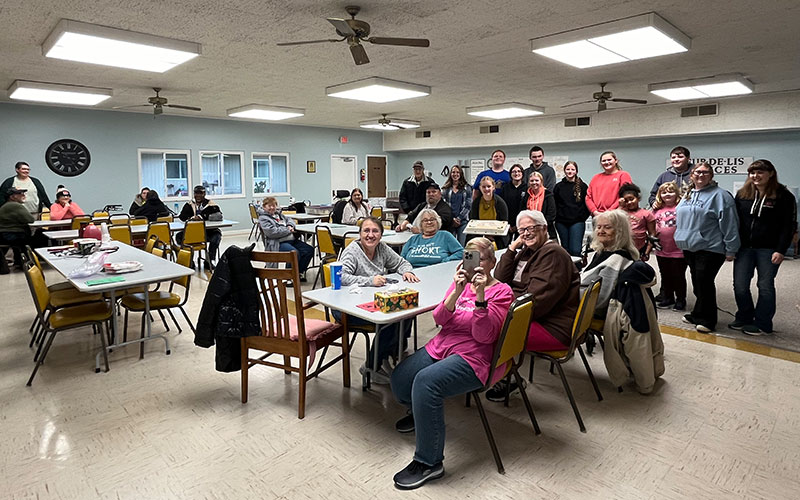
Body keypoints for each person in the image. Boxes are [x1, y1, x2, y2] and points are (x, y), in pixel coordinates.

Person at [390, 237, 513, 489]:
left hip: (475, 356)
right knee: (400, 379)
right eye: (468, 257)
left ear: (491, 262)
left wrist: (480, 298)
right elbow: (440, 319)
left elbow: (485, 336)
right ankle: (422, 412)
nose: (472, 264)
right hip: (443, 345)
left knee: (426, 383)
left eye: (479, 258)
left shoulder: (502, 291)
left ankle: (429, 462)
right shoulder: (460, 284)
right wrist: (457, 291)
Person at [490, 210, 580, 400]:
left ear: (545, 228)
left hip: (552, 327)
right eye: (522, 230)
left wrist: (498, 300)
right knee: (481, 323)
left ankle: (508, 379)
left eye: (531, 228)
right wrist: (512, 248)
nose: (526, 234)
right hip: (530, 315)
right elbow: (499, 279)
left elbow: (535, 303)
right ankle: (497, 374)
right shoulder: (527, 251)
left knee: (487, 331)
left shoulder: (552, 254)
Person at [336, 217, 419, 383]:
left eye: (375, 231)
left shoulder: (382, 248)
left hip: (371, 302)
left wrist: (406, 271)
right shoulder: (353, 251)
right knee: (391, 319)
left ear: (381, 235)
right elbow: (341, 276)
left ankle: (388, 354)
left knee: (408, 310)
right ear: (359, 234)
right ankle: (372, 366)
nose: (370, 235)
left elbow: (402, 262)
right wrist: (370, 281)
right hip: (345, 306)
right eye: (366, 231)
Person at [730, 160, 796, 335]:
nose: (755, 176)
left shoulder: (783, 196)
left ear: (771, 174)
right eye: (752, 173)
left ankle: (763, 323)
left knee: (765, 285)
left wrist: (781, 250)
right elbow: (735, 222)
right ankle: (744, 316)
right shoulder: (743, 194)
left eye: (760, 172)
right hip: (744, 248)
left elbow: (788, 226)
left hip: (769, 249)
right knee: (740, 285)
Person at [674, 162, 740, 333]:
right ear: (692, 175)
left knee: (704, 282)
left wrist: (731, 248)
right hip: (689, 246)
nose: (701, 175)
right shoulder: (687, 195)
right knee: (697, 282)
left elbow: (730, 223)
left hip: (711, 247)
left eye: (705, 172)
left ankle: (708, 320)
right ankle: (697, 313)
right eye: (697, 172)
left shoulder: (721, 196)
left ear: (711, 175)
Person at [579, 210, 639, 316]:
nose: (601, 231)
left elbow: (599, 300)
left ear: (620, 231)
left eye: (607, 227)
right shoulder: (602, 252)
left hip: (587, 311)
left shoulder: (617, 259)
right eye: (599, 227)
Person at [651, 181, 687, 311]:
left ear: (677, 193)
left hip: (678, 249)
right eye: (664, 192)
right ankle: (668, 297)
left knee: (678, 275)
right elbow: (652, 226)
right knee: (665, 275)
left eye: (671, 192)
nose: (667, 194)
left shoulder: (682, 207)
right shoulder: (657, 210)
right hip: (662, 249)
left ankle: (681, 299)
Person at [258, 197, 314, 278]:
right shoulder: (263, 218)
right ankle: (289, 277)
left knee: (309, 250)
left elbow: (290, 220)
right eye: (269, 206)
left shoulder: (279, 215)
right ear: (264, 207)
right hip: (278, 243)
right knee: (294, 253)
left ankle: (298, 273)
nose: (272, 207)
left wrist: (290, 225)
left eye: (274, 205)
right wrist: (288, 230)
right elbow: (272, 233)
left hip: (291, 240)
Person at [0, 188, 48, 270]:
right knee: (42, 235)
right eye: (20, 194)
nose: (23, 195)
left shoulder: (6, 205)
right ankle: (32, 261)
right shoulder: (15, 205)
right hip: (12, 235)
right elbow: (30, 219)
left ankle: (20, 262)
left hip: (5, 235)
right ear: (12, 197)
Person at [176, 185, 223, 267]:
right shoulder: (189, 204)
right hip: (192, 233)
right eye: (196, 193)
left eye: (200, 193)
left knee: (217, 236)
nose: (198, 195)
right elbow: (182, 217)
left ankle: (210, 260)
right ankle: (189, 260)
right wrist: (191, 218)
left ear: (204, 194)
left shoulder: (210, 204)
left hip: (208, 232)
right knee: (179, 236)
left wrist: (202, 217)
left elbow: (219, 216)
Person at [553, 161, 590, 257]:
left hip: (577, 222)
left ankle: (576, 270)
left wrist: (582, 217)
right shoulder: (558, 187)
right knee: (565, 250)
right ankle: (566, 271)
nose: (570, 171)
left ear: (576, 171)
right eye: (568, 169)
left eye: (572, 169)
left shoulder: (582, 186)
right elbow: (555, 204)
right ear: (564, 171)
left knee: (575, 250)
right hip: (561, 222)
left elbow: (587, 203)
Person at [586, 151, 633, 216]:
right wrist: (594, 211)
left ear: (616, 160)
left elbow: (625, 196)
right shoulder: (596, 178)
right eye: (604, 161)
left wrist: (609, 212)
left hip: (616, 215)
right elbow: (588, 197)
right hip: (598, 216)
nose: (607, 162)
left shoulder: (623, 175)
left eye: (609, 160)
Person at [617, 183, 656, 260]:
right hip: (623, 247)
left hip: (639, 248)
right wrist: (621, 206)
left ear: (638, 198)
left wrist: (647, 252)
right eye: (626, 201)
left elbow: (652, 234)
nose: (629, 202)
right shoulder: (620, 212)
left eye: (631, 199)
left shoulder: (646, 214)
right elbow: (612, 222)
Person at [470, 176, 509, 247]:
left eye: (489, 186)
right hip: (479, 235)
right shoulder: (476, 203)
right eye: (484, 187)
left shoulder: (500, 203)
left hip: (497, 236)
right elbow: (473, 221)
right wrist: (484, 235)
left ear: (493, 187)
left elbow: (504, 222)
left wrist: (492, 235)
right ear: (480, 188)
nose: (486, 189)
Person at [519, 171, 556, 239]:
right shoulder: (526, 195)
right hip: (529, 230)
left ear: (541, 182)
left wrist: (539, 226)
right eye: (532, 181)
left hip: (545, 230)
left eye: (536, 180)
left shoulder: (548, 195)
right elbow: (522, 212)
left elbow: (551, 214)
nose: (534, 183)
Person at [441, 165, 472, 245]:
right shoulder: (445, 189)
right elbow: (444, 206)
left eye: (458, 172)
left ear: (461, 174)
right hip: (450, 222)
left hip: (463, 221)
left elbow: (468, 205)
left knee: (461, 245)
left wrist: (459, 218)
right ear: (450, 174)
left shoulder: (467, 188)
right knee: (451, 245)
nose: (455, 174)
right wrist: (452, 219)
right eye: (453, 172)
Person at [499, 164, 526, 236]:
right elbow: (502, 206)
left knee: (520, 246)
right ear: (510, 174)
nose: (516, 173)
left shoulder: (527, 188)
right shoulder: (505, 187)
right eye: (514, 172)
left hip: (522, 224)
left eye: (519, 171)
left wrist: (518, 225)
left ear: (522, 173)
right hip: (507, 223)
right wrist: (507, 223)